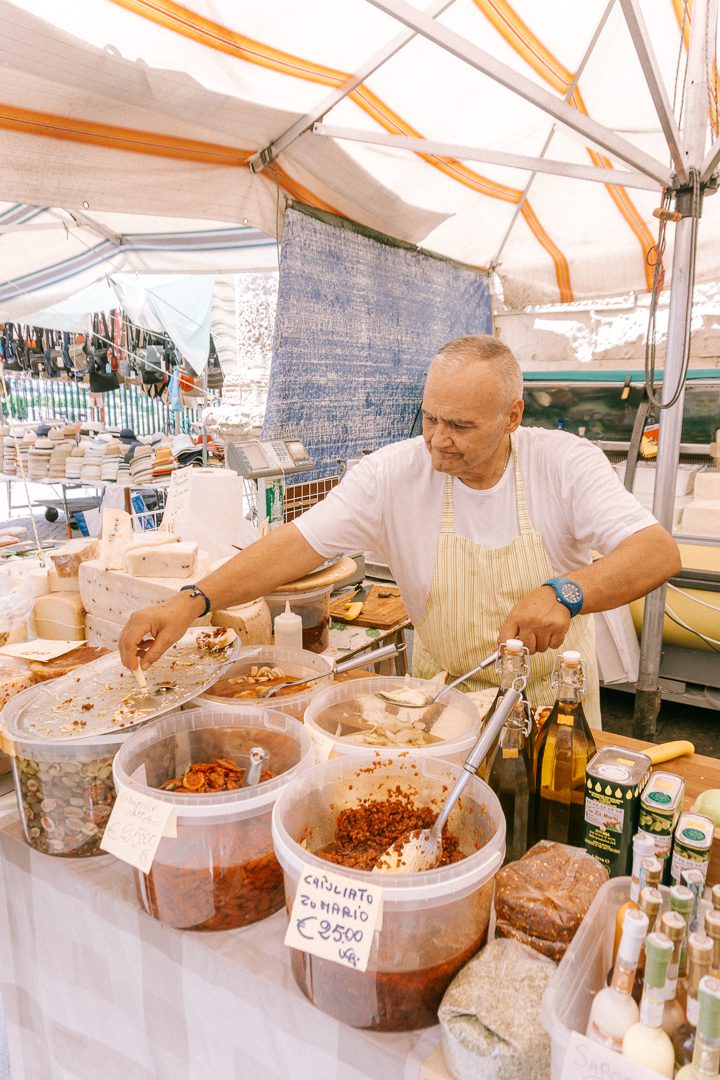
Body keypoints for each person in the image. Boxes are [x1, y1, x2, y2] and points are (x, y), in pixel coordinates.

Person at [119, 335, 680, 726]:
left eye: (460, 426)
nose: (438, 440)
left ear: (513, 416)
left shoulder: (563, 464)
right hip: (441, 707)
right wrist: (192, 600)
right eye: (431, 418)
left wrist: (566, 591)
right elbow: (297, 544)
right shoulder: (394, 473)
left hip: (551, 708)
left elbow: (656, 552)